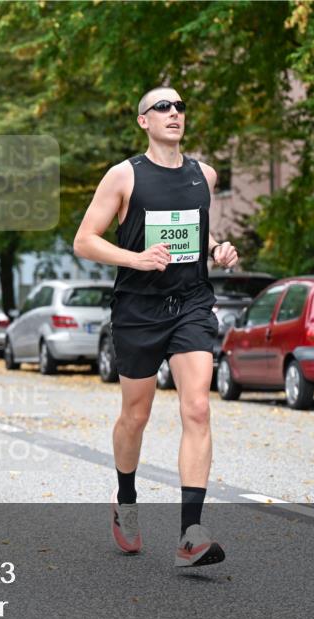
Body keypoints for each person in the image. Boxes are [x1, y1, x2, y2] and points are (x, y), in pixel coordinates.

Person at [72, 86, 239, 568]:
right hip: (138, 309)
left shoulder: (202, 175)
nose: (174, 113)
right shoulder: (124, 175)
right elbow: (85, 240)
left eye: (180, 106)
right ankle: (125, 499)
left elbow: (197, 229)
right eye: (162, 107)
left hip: (190, 302)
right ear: (143, 121)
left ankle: (191, 532)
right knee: (136, 416)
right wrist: (136, 259)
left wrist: (216, 250)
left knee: (198, 408)